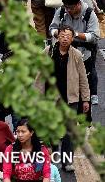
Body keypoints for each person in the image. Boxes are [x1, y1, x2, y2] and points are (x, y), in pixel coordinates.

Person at [36, 25, 90, 171]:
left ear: (72, 38)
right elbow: (39, 75)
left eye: (68, 36)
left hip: (70, 98)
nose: (65, 38)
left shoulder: (77, 55)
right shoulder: (48, 51)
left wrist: (86, 99)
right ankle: (53, 158)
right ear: (57, 37)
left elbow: (83, 79)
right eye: (62, 35)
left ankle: (67, 162)